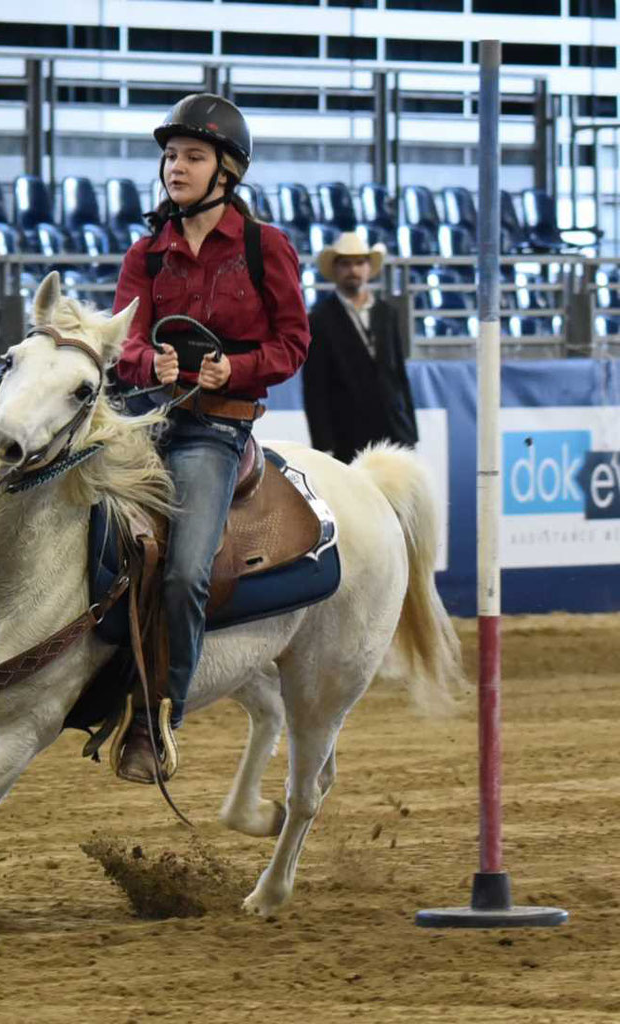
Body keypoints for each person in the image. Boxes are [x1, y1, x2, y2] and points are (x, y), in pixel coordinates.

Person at [110, 93, 310, 784]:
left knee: (188, 569)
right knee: (35, 483)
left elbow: (293, 344)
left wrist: (241, 368)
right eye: (170, 156)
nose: (176, 167)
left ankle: (156, 718)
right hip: (144, 419)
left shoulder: (265, 248)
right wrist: (145, 363)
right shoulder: (148, 253)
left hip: (217, 428)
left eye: (193, 156)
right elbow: (123, 341)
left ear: (227, 171)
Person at [301, 232, 418, 465]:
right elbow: (315, 388)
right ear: (335, 269)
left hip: (393, 432)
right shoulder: (319, 320)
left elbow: (399, 376)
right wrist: (324, 445)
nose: (353, 270)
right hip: (347, 435)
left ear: (368, 267)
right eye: (345, 263)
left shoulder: (386, 313)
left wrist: (410, 432)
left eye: (359, 262)